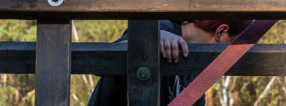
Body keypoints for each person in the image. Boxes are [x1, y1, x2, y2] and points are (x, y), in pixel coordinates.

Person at [86, 19, 251, 105]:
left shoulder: (196, 70)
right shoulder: (162, 27)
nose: (233, 57)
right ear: (220, 31)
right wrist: (150, 40)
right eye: (233, 47)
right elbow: (99, 62)